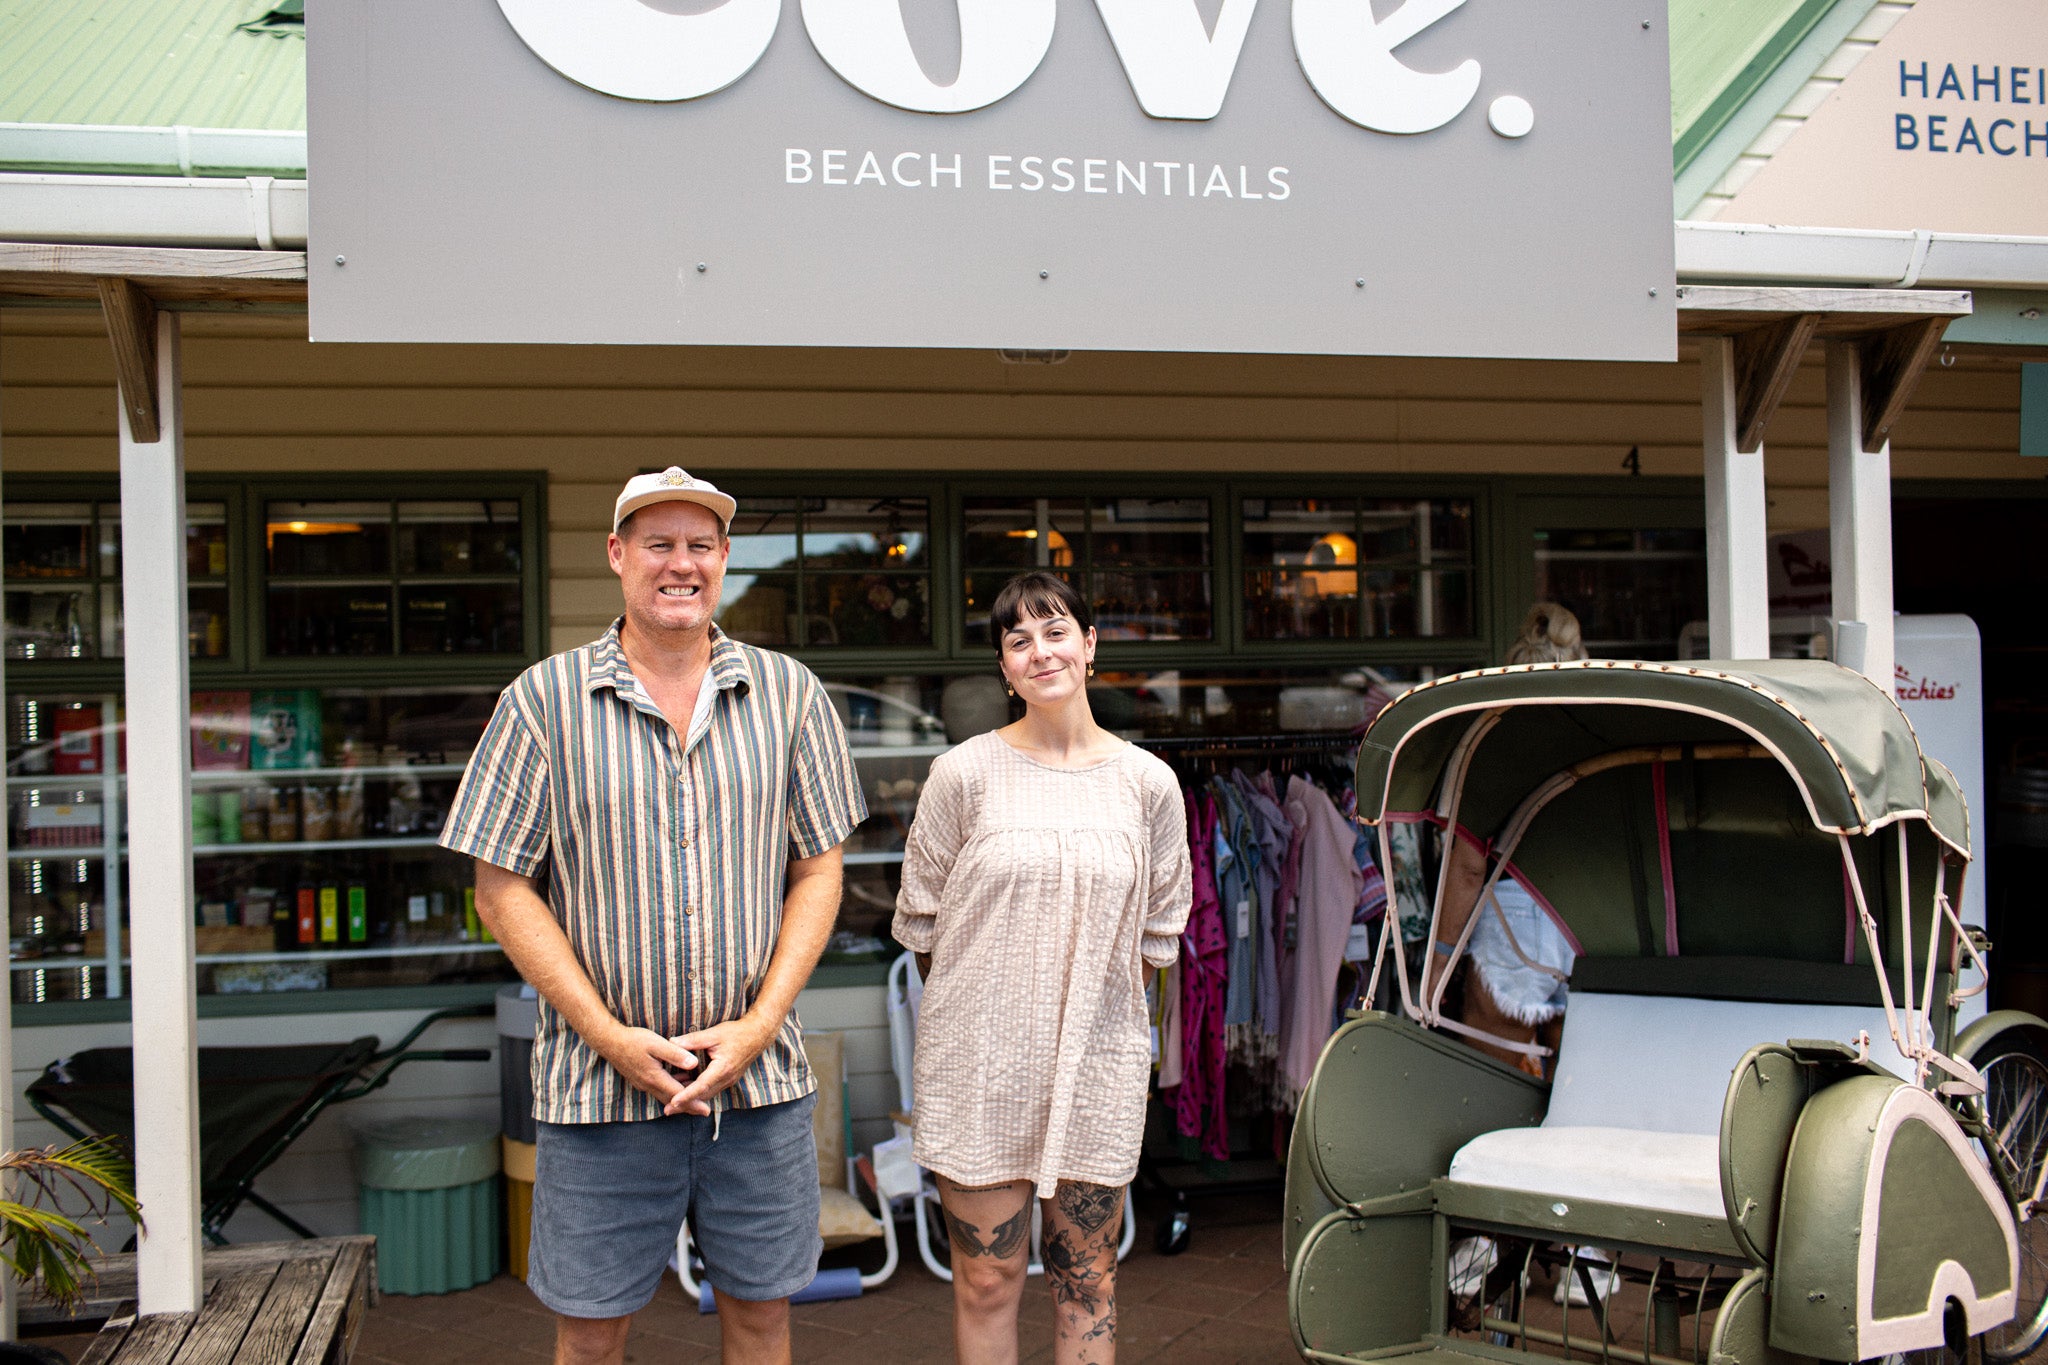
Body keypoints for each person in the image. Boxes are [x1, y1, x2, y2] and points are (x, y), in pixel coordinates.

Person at [439, 467, 867, 1365]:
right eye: (660, 543)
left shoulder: (791, 695)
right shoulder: (542, 702)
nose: (682, 563)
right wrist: (607, 1034)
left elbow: (819, 872)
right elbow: (500, 887)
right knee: (591, 1334)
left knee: (761, 1316)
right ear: (618, 555)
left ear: (723, 559)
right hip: (599, 1092)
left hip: (756, 1088)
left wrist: (758, 1026)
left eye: (701, 545)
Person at [894, 571, 1192, 1365]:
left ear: (1090, 645)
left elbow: (1158, 935)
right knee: (987, 1278)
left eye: (1056, 630)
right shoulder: (962, 776)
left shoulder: (1148, 785)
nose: (1040, 650)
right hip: (982, 1065)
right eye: (1018, 639)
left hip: (1098, 1065)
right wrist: (989, 1006)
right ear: (1004, 665)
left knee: (1088, 1278)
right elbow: (924, 923)